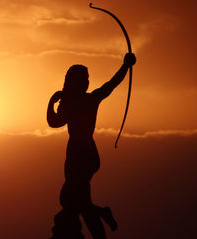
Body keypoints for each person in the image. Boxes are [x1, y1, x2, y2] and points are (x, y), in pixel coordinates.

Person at [47, 53, 136, 239]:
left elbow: (54, 122)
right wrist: (125, 66)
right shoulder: (85, 100)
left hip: (81, 155)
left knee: (72, 200)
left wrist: (52, 102)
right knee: (75, 201)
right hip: (83, 154)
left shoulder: (80, 101)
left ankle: (103, 215)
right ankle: (102, 215)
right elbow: (110, 85)